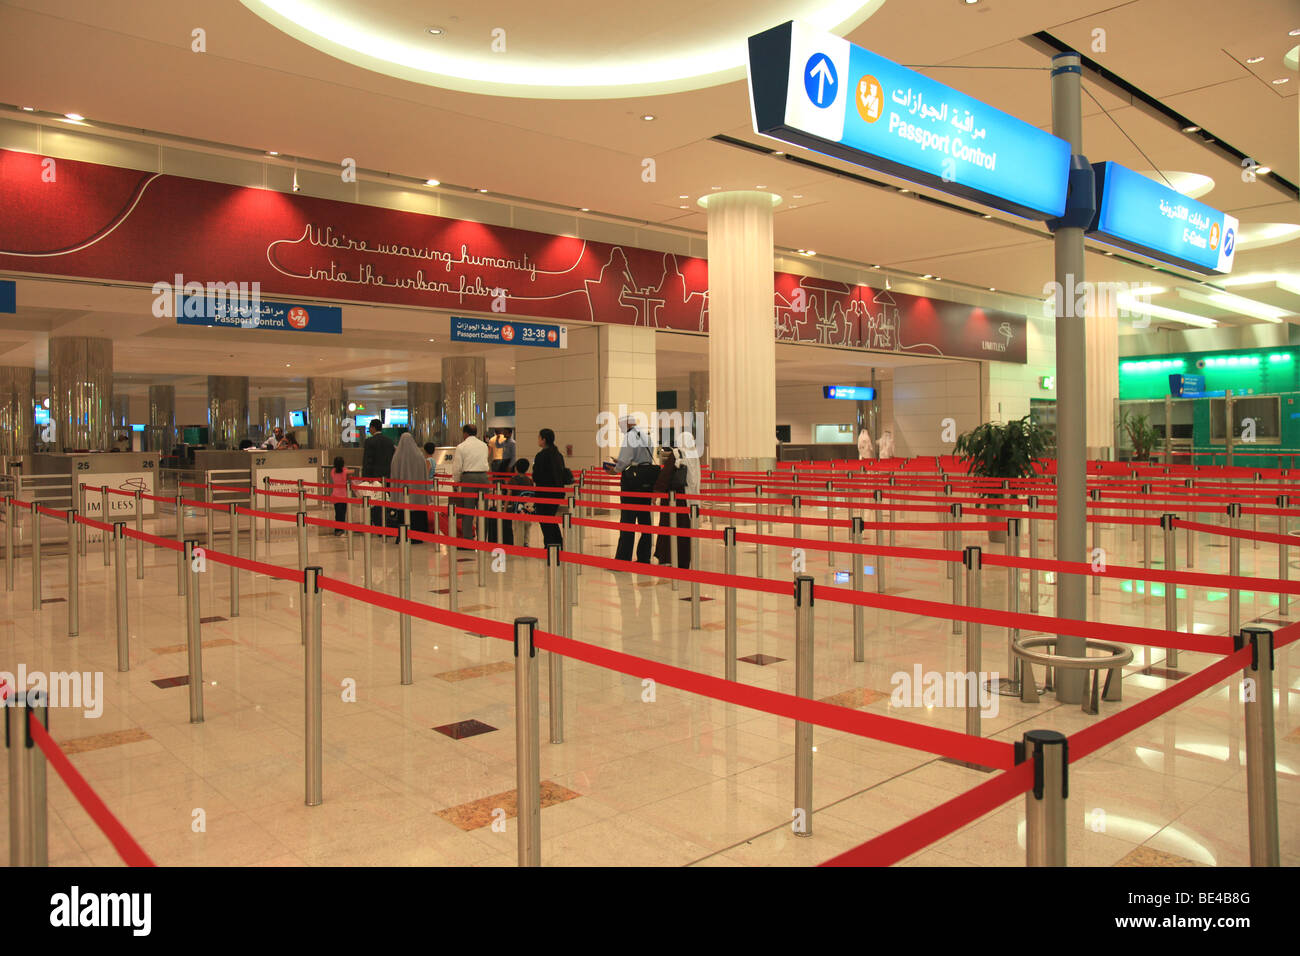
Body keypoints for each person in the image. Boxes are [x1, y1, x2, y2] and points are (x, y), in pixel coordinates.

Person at [612, 416, 657, 563]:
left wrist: (615, 469)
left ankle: (623, 558)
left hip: (632, 482)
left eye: (620, 426)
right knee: (645, 521)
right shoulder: (647, 436)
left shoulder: (629, 437)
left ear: (627, 424)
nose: (620, 429)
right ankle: (644, 557)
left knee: (627, 520)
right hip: (647, 480)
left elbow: (625, 461)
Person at [652, 447, 690, 568]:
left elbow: (666, 475)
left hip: (673, 499)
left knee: (669, 527)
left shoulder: (676, 454)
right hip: (688, 499)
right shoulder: (693, 455)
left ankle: (667, 557)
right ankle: (683, 560)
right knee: (684, 530)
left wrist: (656, 492)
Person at [450, 423, 490, 538]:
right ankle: (482, 537)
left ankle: (467, 540)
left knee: (468, 511)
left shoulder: (461, 446)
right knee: (483, 511)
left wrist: (456, 482)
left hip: (468, 478)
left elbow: (457, 467)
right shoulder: (484, 445)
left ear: (465, 433)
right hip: (483, 478)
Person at [532, 428, 568, 547]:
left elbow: (537, 476)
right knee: (550, 519)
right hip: (557, 493)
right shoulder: (558, 455)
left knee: (545, 521)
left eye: (539, 437)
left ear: (544, 439)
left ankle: (551, 545)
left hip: (544, 494)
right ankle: (557, 543)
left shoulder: (541, 456)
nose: (537, 440)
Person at [390, 431, 429, 535]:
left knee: (404, 512)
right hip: (418, 493)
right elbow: (425, 475)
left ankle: (404, 533)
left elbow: (393, 476)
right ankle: (419, 533)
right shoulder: (419, 456)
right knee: (417, 512)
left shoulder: (397, 457)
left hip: (402, 494)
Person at [361, 418, 395, 526]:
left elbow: (367, 461)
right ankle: (388, 521)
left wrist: (366, 478)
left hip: (374, 477)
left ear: (373, 428)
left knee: (375, 501)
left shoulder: (369, 441)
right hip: (388, 476)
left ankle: (377, 523)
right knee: (386, 499)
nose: (369, 430)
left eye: (370, 428)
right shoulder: (389, 441)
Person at [502, 458, 535, 546]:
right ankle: (526, 543)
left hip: (517, 509)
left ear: (516, 468)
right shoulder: (529, 480)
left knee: (517, 528)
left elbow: (509, 495)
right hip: (527, 508)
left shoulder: (513, 480)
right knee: (527, 527)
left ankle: (518, 545)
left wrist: (505, 509)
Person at [329, 456, 350, 535]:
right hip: (343, 495)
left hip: (335, 495)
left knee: (337, 513)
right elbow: (348, 477)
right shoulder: (345, 471)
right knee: (342, 513)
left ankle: (337, 529)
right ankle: (341, 529)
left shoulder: (333, 471)